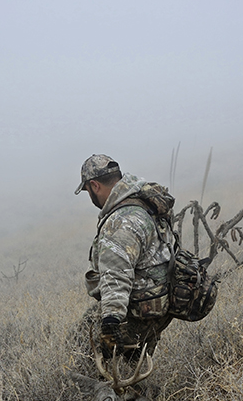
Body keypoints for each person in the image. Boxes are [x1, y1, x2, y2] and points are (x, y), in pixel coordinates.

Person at [75, 154, 174, 362]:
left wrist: (111, 323)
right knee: (135, 364)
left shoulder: (121, 221)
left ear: (94, 186)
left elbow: (116, 275)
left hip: (139, 308)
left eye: (87, 191)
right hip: (160, 301)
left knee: (81, 345)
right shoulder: (143, 202)